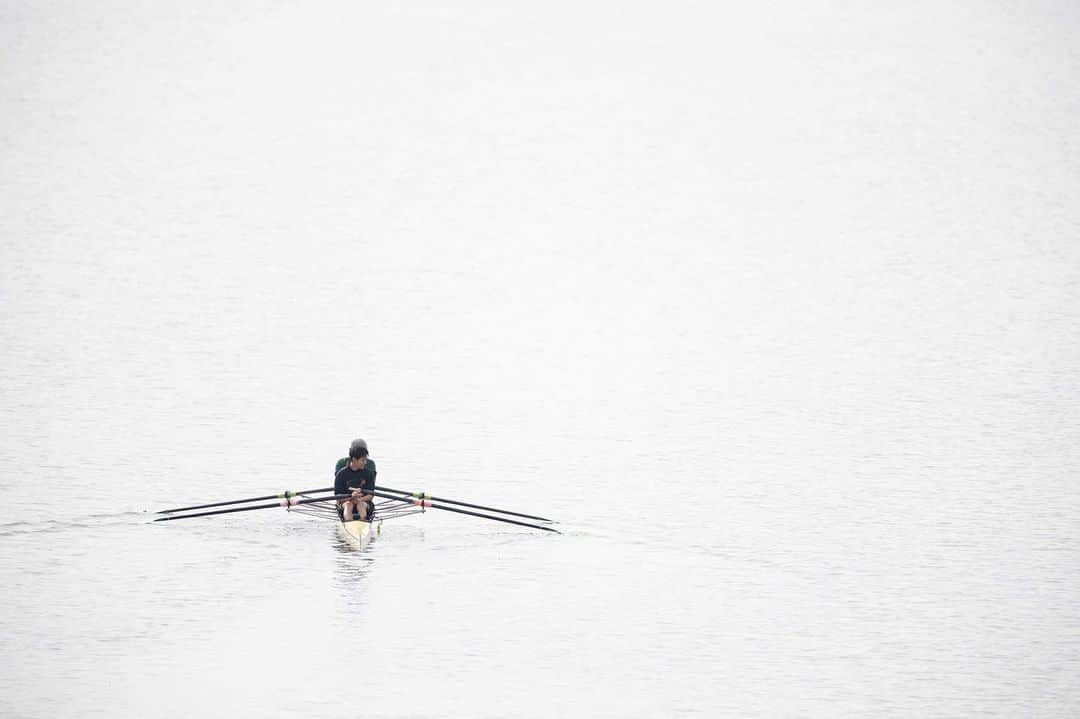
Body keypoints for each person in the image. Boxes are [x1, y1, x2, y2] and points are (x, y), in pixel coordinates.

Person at [334, 438, 377, 522]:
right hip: (346, 502)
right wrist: (351, 497)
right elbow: (338, 497)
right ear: (353, 459)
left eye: (365, 460)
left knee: (360, 505)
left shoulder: (368, 473)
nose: (365, 463)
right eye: (363, 460)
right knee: (348, 505)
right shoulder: (341, 474)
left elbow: (370, 495)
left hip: (363, 501)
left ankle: (363, 522)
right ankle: (348, 523)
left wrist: (358, 500)